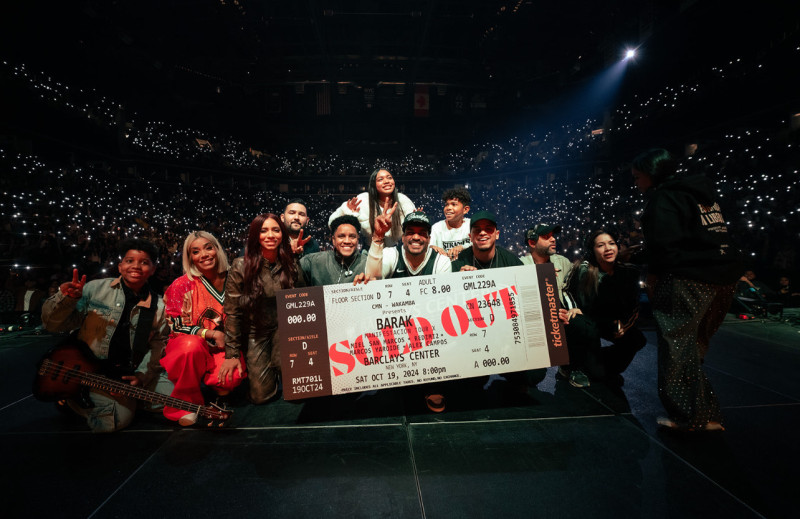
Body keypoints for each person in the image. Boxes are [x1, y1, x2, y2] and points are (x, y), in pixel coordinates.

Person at [632, 148, 742, 432]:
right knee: (693, 347)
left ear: (651, 174)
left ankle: (689, 417)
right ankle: (708, 415)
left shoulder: (663, 198)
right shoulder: (700, 193)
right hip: (725, 277)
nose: (636, 183)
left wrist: (649, 272)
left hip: (689, 277)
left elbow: (664, 248)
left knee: (677, 347)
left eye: (638, 176)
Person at [41, 238, 171, 433]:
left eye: (144, 262)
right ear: (120, 266)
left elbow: (158, 347)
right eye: (129, 261)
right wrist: (65, 299)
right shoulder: (95, 289)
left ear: (153, 269)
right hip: (92, 371)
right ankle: (72, 400)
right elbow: (52, 324)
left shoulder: (158, 306)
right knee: (112, 422)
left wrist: (142, 377)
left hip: (129, 371)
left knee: (180, 402)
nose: (136, 266)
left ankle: (127, 400)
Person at [160, 231, 245, 426]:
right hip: (188, 345)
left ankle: (210, 379)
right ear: (190, 258)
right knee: (191, 346)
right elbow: (174, 323)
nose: (204, 254)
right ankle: (186, 404)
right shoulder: (181, 285)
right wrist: (209, 333)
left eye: (209, 247)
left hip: (223, 348)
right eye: (196, 251)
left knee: (228, 380)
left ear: (217, 249)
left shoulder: (235, 277)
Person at [222, 213, 306, 404]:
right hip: (255, 332)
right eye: (263, 230)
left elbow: (303, 298)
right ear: (255, 236)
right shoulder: (240, 265)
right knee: (261, 398)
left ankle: (280, 368)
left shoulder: (290, 263)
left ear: (282, 235)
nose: (270, 235)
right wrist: (232, 354)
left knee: (298, 393)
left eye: (276, 230)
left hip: (285, 330)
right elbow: (233, 312)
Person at [559, 230, 646, 387]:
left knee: (637, 339)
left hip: (608, 320)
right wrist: (573, 308)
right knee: (581, 326)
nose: (608, 248)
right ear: (592, 250)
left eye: (611, 243)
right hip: (587, 319)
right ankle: (572, 365)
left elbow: (634, 304)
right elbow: (566, 290)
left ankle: (598, 365)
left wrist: (624, 326)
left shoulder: (628, 271)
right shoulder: (583, 268)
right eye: (601, 245)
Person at [328, 168, 416, 246]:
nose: (386, 181)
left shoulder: (403, 201)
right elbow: (332, 223)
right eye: (380, 179)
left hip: (393, 251)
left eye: (389, 178)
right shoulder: (363, 200)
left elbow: (411, 230)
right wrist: (348, 213)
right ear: (373, 184)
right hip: (369, 250)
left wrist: (417, 220)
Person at [366, 210, 452, 280]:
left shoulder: (441, 261)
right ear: (403, 238)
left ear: (429, 239)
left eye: (422, 233)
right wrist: (378, 236)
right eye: (410, 232)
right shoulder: (391, 254)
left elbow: (443, 298)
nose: (416, 237)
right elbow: (373, 279)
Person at [300, 215, 369, 286]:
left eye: (352, 236)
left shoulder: (368, 264)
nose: (347, 241)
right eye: (341, 236)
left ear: (357, 240)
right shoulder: (312, 262)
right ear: (333, 240)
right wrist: (292, 254)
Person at [452, 210, 523, 271]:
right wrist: (459, 279)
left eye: (488, 229)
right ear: (470, 237)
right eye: (477, 230)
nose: (482, 233)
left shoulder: (510, 261)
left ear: (497, 234)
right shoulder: (460, 261)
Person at [519, 222, 573, 301]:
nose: (553, 239)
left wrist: (572, 309)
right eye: (546, 237)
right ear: (532, 243)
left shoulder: (563, 262)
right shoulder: (519, 265)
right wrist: (535, 275)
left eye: (552, 236)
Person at [429, 188, 472, 261]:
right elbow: (430, 246)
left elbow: (481, 245)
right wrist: (433, 248)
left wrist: (463, 247)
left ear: (465, 209)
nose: (448, 208)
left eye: (454, 204)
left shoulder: (472, 224)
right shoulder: (436, 227)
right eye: (446, 205)